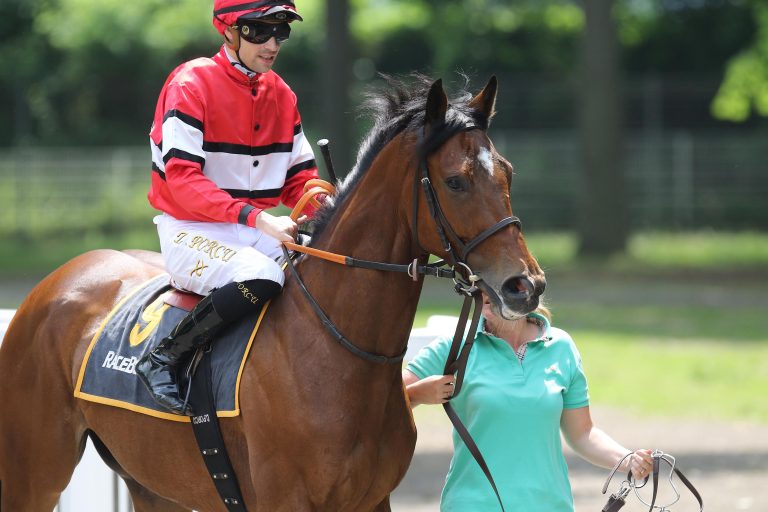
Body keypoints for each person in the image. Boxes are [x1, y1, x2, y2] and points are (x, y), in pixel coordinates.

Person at [136, 0, 319, 416]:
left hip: (257, 229)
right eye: (260, 31)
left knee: (325, 265)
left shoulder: (283, 95)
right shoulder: (190, 83)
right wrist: (256, 218)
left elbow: (299, 180)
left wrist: (330, 204)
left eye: (282, 31)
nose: (273, 43)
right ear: (229, 31)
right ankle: (164, 356)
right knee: (263, 274)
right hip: (190, 229)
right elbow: (182, 180)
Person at [403, 296, 653, 511]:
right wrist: (415, 395)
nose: (484, 293)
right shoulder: (455, 345)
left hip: (550, 505)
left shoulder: (561, 347)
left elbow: (583, 433)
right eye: (479, 285)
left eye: (496, 285)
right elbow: (384, 400)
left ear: (526, 294)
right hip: (472, 505)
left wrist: (628, 459)